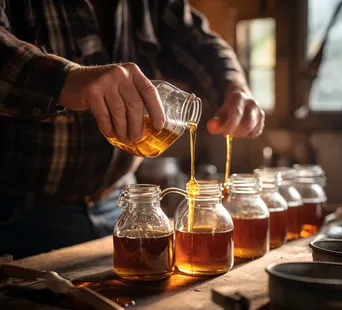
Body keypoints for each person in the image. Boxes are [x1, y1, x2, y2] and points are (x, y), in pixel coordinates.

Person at [0, 0, 265, 259]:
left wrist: (234, 87)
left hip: (120, 208)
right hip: (16, 218)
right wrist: (65, 80)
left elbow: (200, 43)